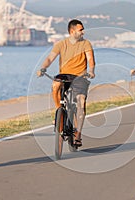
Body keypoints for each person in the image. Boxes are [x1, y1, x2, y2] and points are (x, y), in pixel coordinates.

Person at [37, 19, 96, 147]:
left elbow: (90, 59)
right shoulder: (61, 44)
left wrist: (91, 71)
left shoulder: (86, 44)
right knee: (55, 85)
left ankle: (78, 135)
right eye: (81, 30)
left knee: (81, 102)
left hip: (80, 76)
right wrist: (43, 68)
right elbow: (49, 58)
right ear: (72, 31)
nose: (83, 32)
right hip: (65, 75)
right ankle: (59, 112)